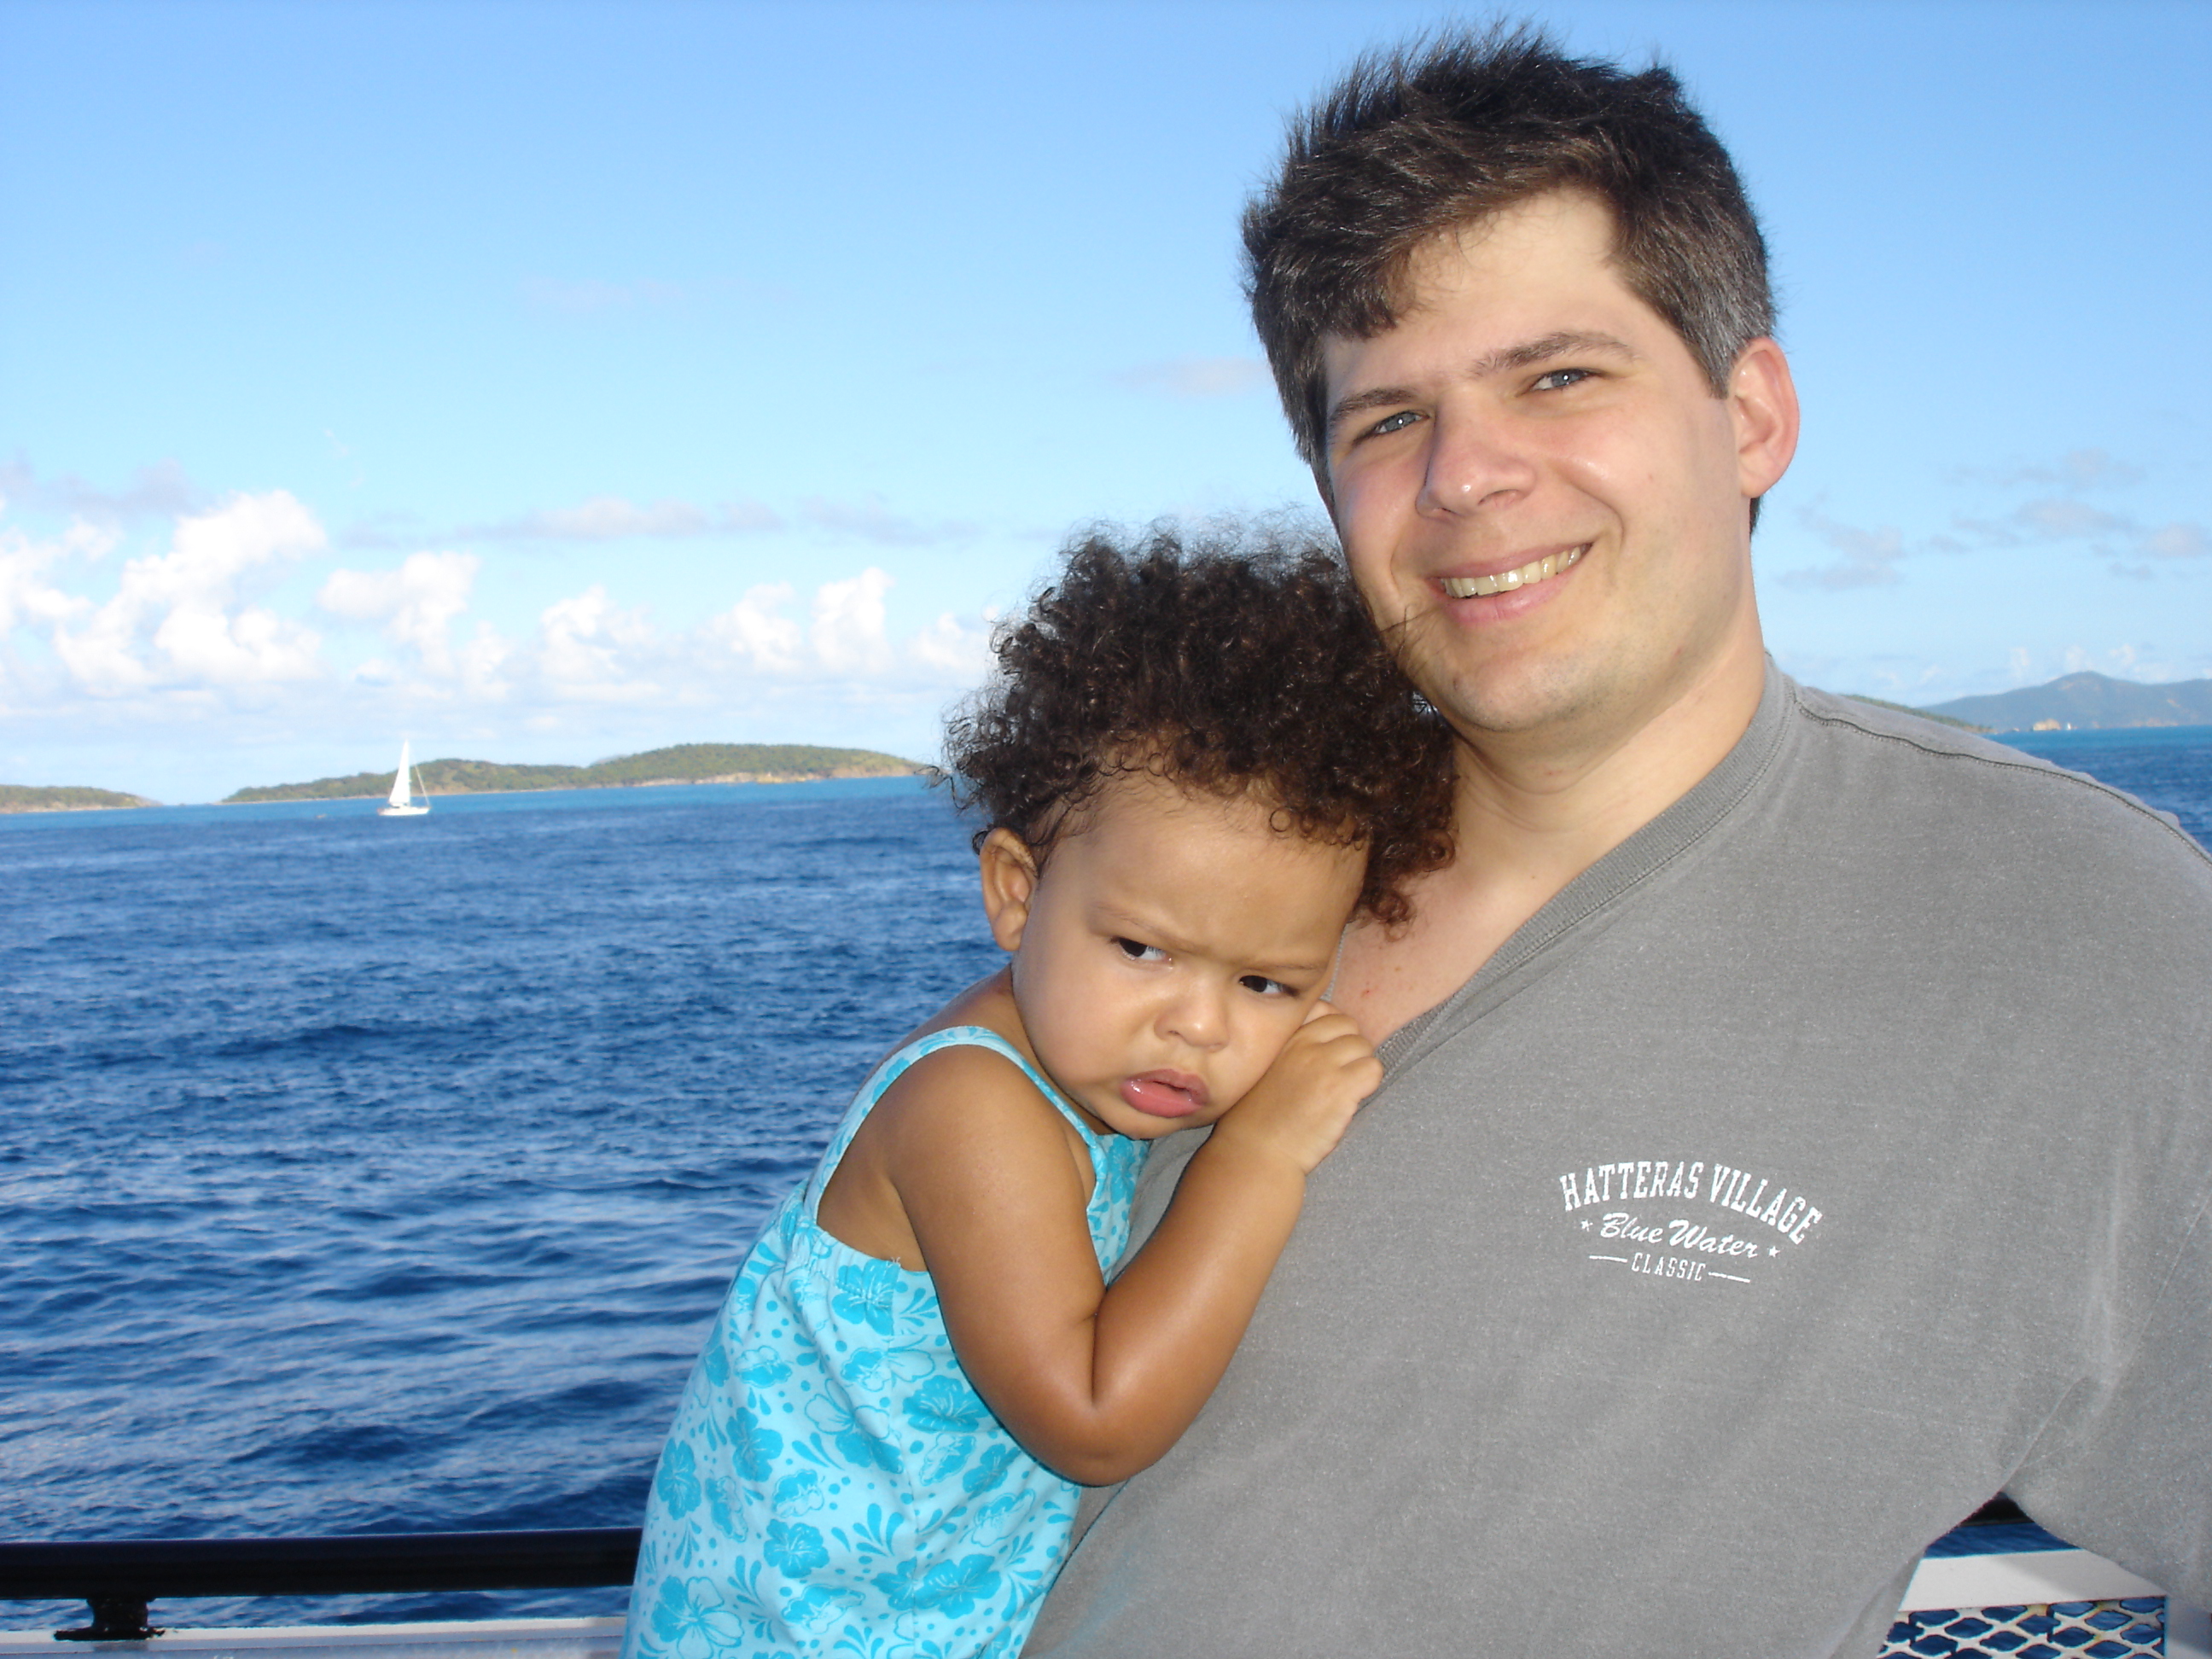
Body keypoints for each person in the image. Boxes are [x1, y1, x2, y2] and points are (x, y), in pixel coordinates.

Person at [1027, 25, 2212, 1657]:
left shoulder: (2086, 940)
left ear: (1754, 415)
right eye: (1386, 421)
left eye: (1559, 377)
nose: (1465, 477)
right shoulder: (1228, 867)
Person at [620, 525, 1454, 1659]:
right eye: (1142, 950)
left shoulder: (1078, 1056)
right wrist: (1257, 1157)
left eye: (1265, 982)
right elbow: (1093, 1421)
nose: (1199, 1024)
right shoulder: (973, 1107)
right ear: (1017, 894)